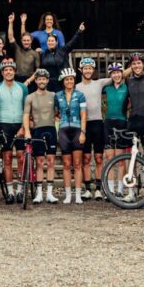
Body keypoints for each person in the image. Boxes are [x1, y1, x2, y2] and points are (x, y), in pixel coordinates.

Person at [0, 58, 29, 203]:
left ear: (15, 71)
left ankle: (20, 190)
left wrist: (24, 127)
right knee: (6, 159)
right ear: (2, 73)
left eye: (11, 70)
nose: (8, 72)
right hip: (5, 125)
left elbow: (26, 108)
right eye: (6, 70)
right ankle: (10, 192)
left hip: (19, 123)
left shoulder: (22, 88)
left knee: (20, 157)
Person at [77, 57, 112, 199]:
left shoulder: (99, 83)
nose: (88, 70)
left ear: (93, 70)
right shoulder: (76, 86)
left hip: (98, 123)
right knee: (85, 158)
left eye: (90, 68)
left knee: (98, 158)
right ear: (81, 70)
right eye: (85, 68)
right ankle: (87, 189)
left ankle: (98, 188)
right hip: (83, 124)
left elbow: (119, 74)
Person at [22, 68, 58, 204]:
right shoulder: (30, 97)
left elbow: (59, 112)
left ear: (47, 80)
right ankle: (38, 194)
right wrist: (27, 131)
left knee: (51, 162)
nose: (42, 81)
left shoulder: (53, 95)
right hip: (37, 131)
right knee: (39, 162)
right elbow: (26, 115)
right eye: (39, 79)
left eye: (44, 79)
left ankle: (49, 193)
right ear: (36, 81)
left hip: (51, 130)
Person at [54, 67, 87, 204]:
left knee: (78, 164)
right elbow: (56, 114)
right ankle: (68, 195)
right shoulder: (58, 96)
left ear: (74, 81)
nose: (69, 81)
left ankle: (78, 194)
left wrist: (83, 132)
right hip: (63, 130)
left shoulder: (80, 95)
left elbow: (83, 114)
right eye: (67, 79)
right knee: (67, 164)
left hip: (76, 129)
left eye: (71, 79)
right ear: (63, 81)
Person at [38, 22, 86, 89]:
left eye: (52, 41)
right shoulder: (43, 54)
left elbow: (72, 42)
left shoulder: (63, 50)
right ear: (47, 42)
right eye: (49, 41)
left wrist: (79, 31)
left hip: (62, 83)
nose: (50, 42)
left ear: (56, 42)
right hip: (48, 84)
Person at [7, 13, 40, 85]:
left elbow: (38, 71)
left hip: (30, 81)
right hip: (17, 80)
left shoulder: (35, 53)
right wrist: (10, 22)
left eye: (28, 40)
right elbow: (11, 37)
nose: (26, 42)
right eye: (24, 40)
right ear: (21, 41)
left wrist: (28, 81)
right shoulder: (17, 49)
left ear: (31, 41)